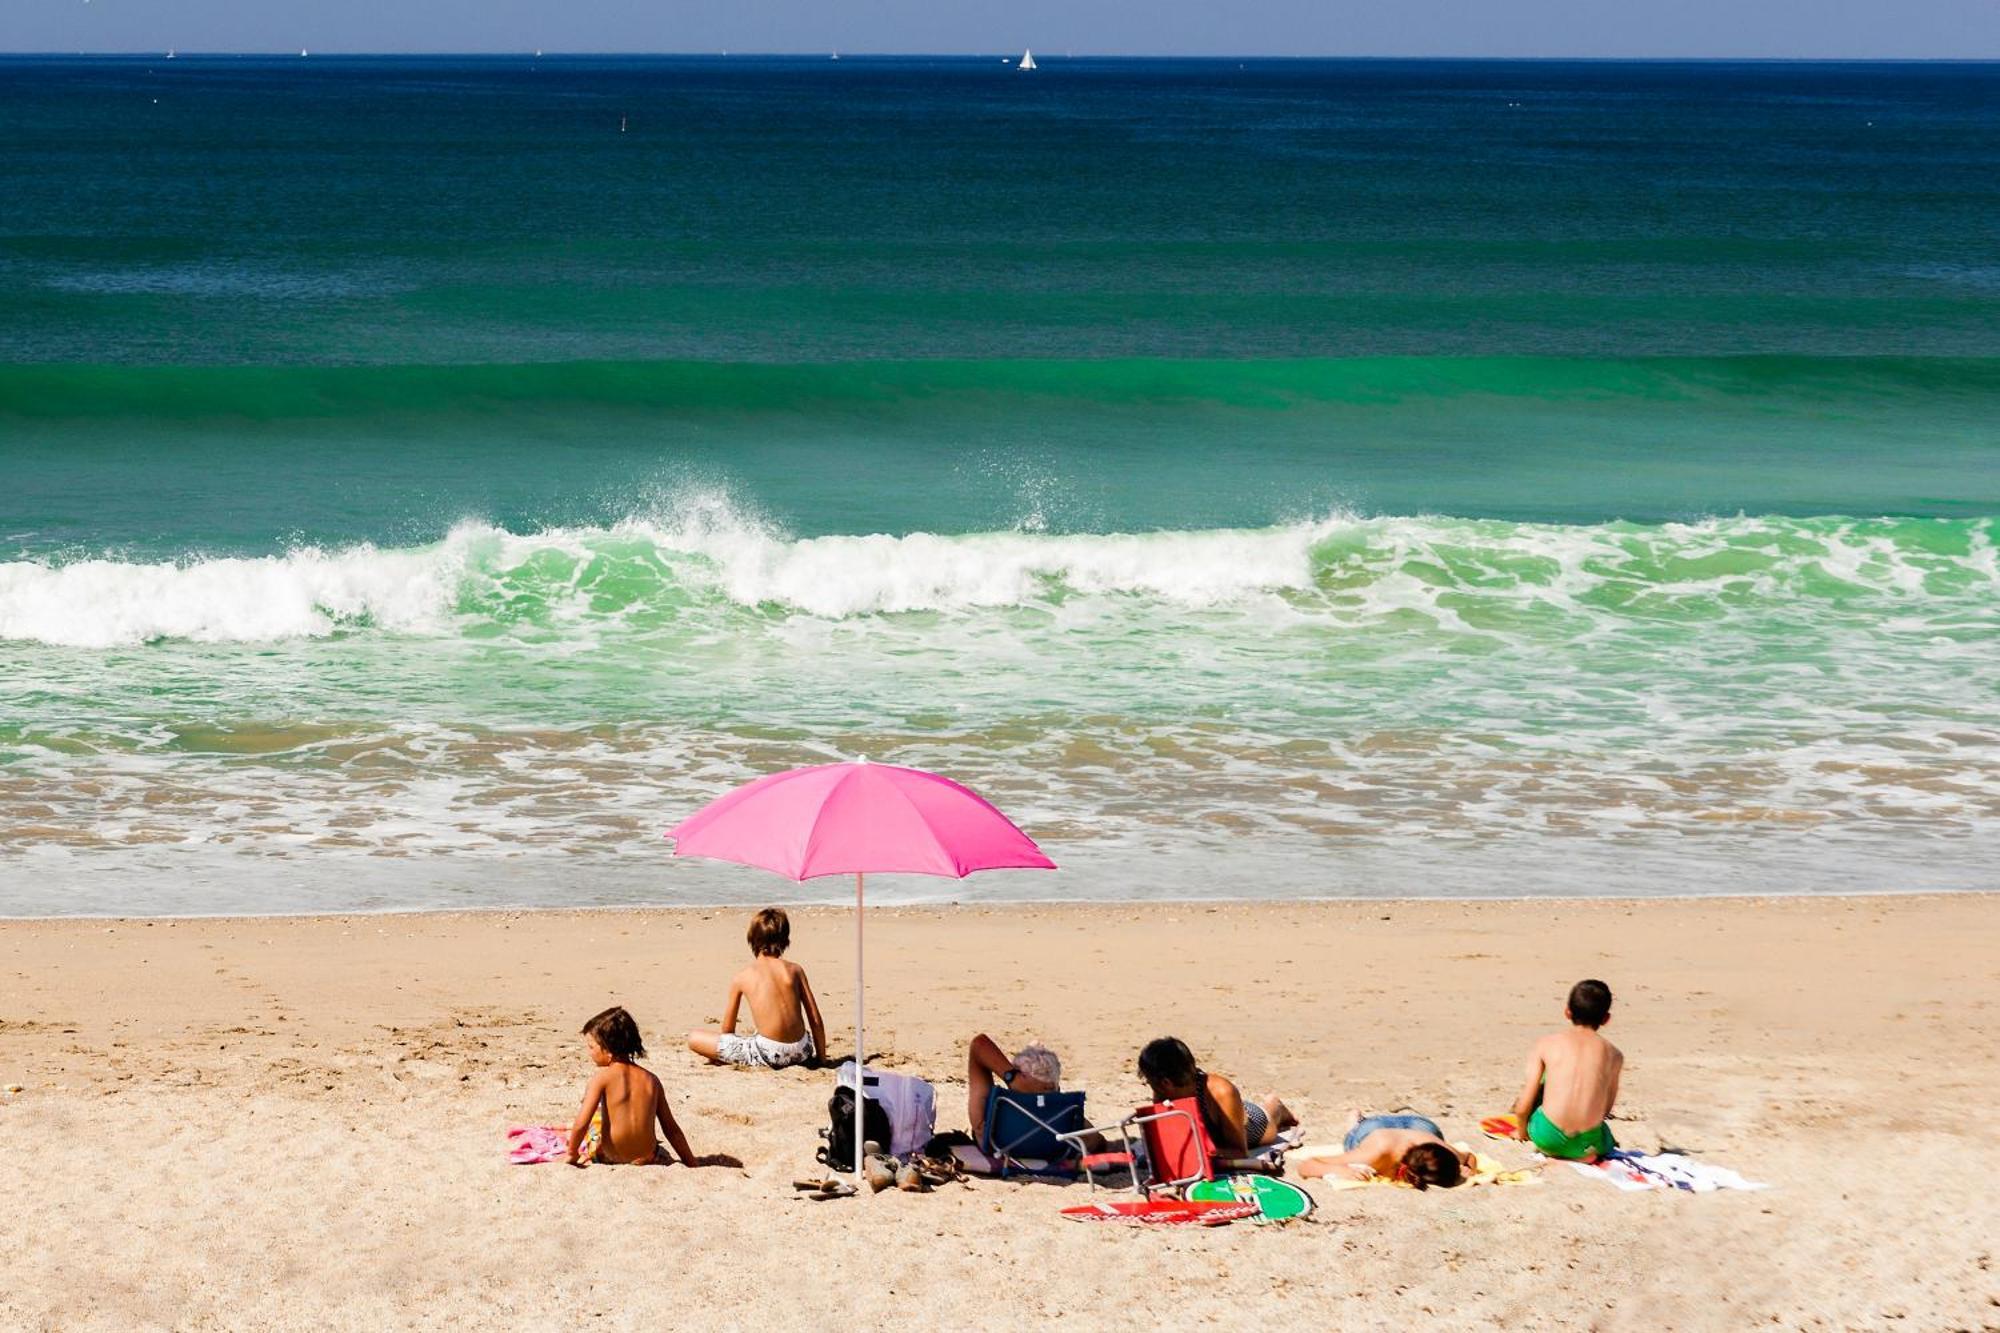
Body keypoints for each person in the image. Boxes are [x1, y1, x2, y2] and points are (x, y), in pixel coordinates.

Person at [687, 907, 827, 1070]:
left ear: (752, 940)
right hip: (802, 1050)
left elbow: (727, 1030)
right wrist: (822, 1059)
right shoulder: (795, 970)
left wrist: (722, 1053)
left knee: (694, 1038)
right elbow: (815, 1019)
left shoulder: (742, 977)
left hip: (769, 1053)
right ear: (785, 940)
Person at [566, 1006, 699, 1167]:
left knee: (595, 1120)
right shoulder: (652, 1080)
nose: (589, 1052)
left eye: (591, 1047)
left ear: (608, 1049)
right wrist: (691, 1162)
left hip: (610, 1156)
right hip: (648, 1157)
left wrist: (572, 1155)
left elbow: (581, 1123)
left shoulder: (601, 1078)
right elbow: (671, 1129)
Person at [1509, 977, 1623, 1161]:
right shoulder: (1615, 1055)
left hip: (1548, 1137)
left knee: (1546, 1079)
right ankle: (1584, 1152)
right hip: (1588, 1143)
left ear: (1567, 1012)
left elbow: (1523, 1106)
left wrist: (1521, 1132)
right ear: (1606, 1019)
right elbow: (1605, 1110)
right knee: (1605, 1137)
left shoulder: (1546, 1044)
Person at [1136, 1036, 1296, 1154]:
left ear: (1166, 1083)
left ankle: (1276, 1107)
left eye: (1148, 1080)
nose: (1150, 1085)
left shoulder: (1221, 1090)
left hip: (1251, 1125)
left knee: (1270, 1118)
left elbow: (1239, 1151)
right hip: (1224, 1115)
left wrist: (1200, 1154)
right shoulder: (1163, 1093)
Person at [1296, 1111, 1472, 1188]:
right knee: (1353, 1137)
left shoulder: (1439, 1150)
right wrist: (1337, 1169)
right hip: (1373, 1130)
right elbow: (1306, 1166)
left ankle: (1359, 1121)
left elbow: (1469, 1157)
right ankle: (1355, 1123)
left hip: (1421, 1126)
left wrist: (1469, 1168)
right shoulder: (1373, 1155)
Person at [966, 1034, 1062, 1142]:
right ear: (1054, 1086)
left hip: (1003, 1150)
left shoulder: (989, 1126)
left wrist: (1012, 1077)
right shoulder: (1069, 1119)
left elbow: (978, 1045)